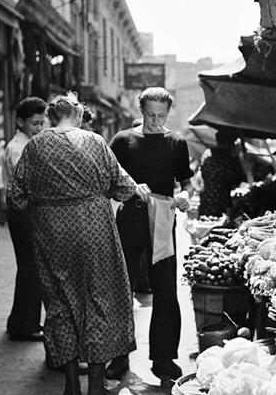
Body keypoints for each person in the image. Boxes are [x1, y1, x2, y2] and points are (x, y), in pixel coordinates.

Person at [7, 92, 149, 395]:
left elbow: (16, 197)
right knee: (98, 299)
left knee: (60, 305)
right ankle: (96, 385)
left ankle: (71, 385)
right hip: (94, 228)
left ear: (51, 118)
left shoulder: (34, 146)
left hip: (51, 233)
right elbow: (123, 188)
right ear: (79, 116)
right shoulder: (95, 142)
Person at [109, 87, 193, 382]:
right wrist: (131, 188)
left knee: (166, 289)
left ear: (168, 112)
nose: (156, 121)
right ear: (140, 111)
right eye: (150, 115)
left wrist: (185, 197)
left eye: (161, 115)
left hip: (163, 219)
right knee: (123, 288)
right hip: (131, 217)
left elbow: (187, 183)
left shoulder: (177, 142)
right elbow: (108, 181)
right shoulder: (122, 140)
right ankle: (118, 355)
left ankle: (163, 359)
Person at [3, 96, 47, 341]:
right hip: (23, 212)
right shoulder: (18, 147)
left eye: (42, 123)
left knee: (31, 268)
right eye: (35, 123)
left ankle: (24, 322)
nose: (39, 128)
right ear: (20, 122)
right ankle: (23, 325)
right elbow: (30, 183)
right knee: (30, 268)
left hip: (28, 210)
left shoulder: (29, 144)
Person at [198, 130, 245, 218]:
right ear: (231, 143)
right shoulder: (227, 160)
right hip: (219, 204)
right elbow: (237, 179)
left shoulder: (209, 158)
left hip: (206, 202)